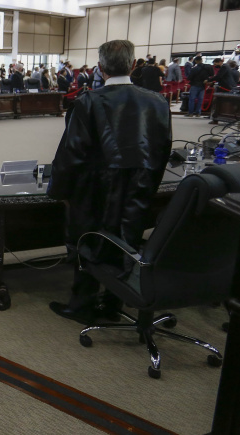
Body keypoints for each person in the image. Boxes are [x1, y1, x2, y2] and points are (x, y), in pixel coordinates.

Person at [48, 39, 171, 325]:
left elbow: (72, 153)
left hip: (94, 189)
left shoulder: (88, 101)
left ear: (100, 68)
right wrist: (150, 185)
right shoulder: (158, 101)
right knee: (127, 241)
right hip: (139, 187)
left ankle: (82, 304)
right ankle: (114, 301)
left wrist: (59, 190)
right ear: (132, 65)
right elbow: (163, 149)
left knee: (87, 243)